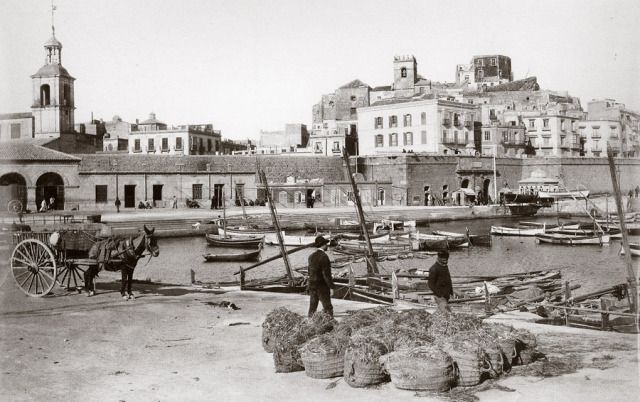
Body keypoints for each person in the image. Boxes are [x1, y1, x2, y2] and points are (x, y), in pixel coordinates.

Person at [307, 235, 334, 317]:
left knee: (312, 306)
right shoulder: (324, 257)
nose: (327, 246)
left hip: (312, 284)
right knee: (327, 307)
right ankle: (330, 323)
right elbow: (326, 274)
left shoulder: (311, 256)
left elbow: (309, 271)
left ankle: (310, 322)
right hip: (322, 285)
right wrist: (331, 287)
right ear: (323, 245)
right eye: (326, 244)